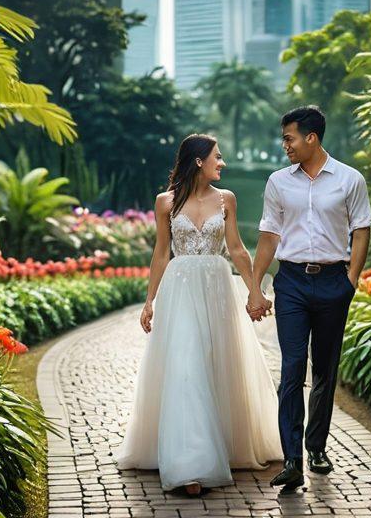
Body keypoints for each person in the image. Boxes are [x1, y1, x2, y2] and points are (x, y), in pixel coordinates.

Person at [115, 134, 283, 495]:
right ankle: (190, 463)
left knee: (218, 363)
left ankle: (223, 445)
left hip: (218, 288)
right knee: (186, 366)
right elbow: (161, 254)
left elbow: (236, 249)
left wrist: (255, 290)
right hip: (180, 290)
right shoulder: (165, 203)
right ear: (198, 161)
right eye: (217, 157)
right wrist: (149, 301)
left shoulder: (226, 200)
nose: (222, 163)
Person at [251, 106, 371, 489]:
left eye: (289, 137)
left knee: (324, 367)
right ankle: (292, 459)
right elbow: (269, 235)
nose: (284, 144)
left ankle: (316, 446)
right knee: (291, 368)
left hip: (334, 281)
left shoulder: (350, 180)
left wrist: (351, 279)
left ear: (311, 138)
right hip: (291, 282)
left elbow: (362, 229)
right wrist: (256, 285)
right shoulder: (278, 182)